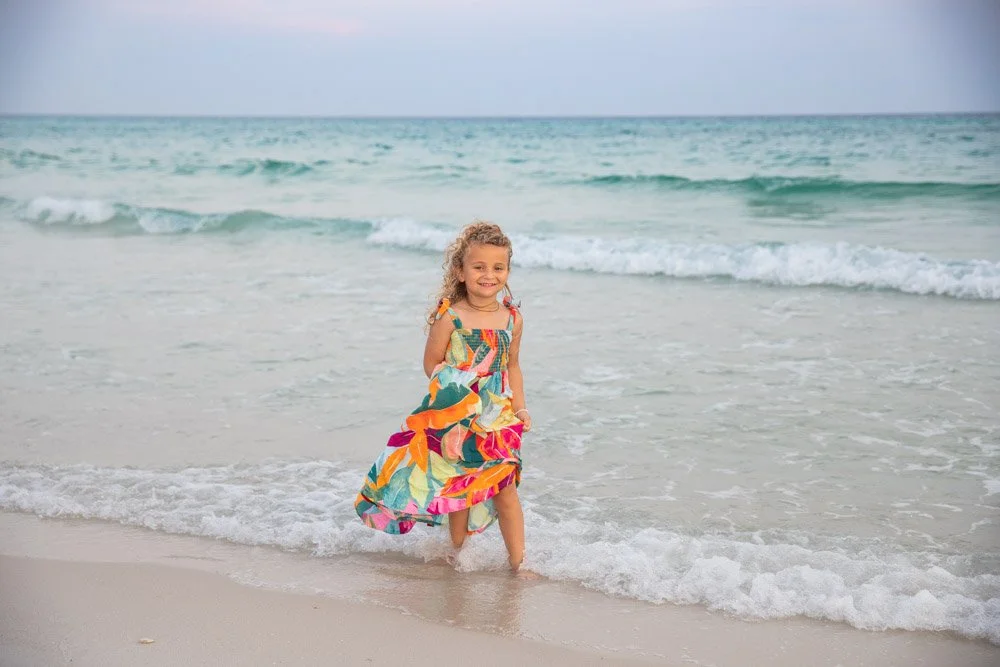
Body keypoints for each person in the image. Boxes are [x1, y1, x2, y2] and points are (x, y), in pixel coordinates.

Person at [355, 221, 531, 571]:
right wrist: (458, 389)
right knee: (460, 487)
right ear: (461, 272)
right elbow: (431, 363)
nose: (489, 275)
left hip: (497, 416)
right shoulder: (450, 317)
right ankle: (458, 552)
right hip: (457, 414)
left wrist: (521, 408)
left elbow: (512, 366)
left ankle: (519, 564)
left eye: (498, 267)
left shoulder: (512, 319)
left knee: (505, 488)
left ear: (508, 272)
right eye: (479, 267)